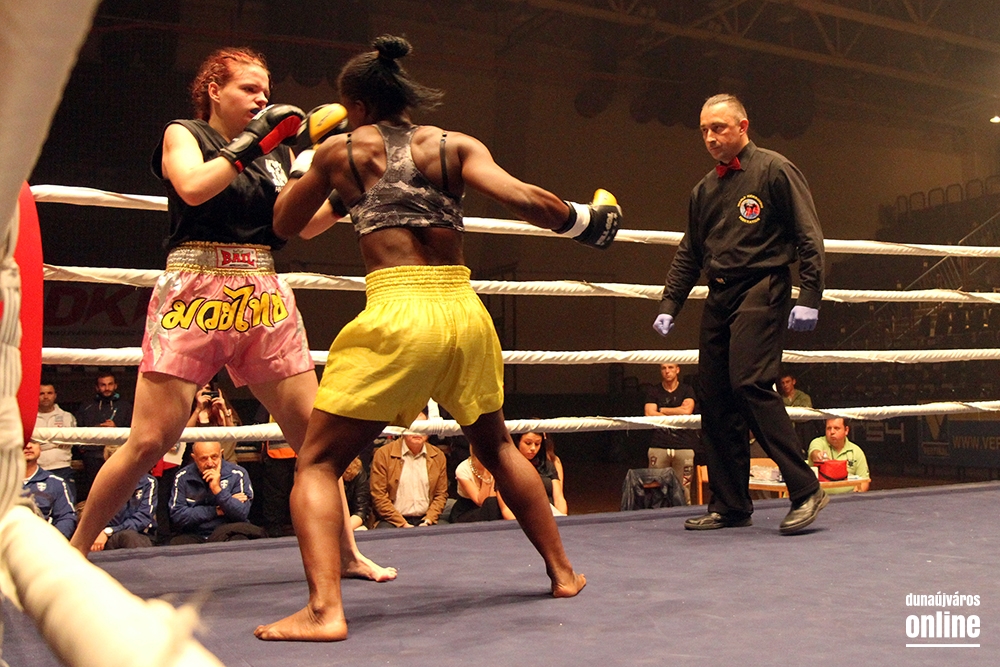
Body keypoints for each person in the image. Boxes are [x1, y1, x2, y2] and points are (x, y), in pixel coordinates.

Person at [255, 35, 600, 641]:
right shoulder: (453, 144)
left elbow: (281, 223)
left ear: (356, 105)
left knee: (318, 461)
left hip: (398, 313)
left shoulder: (339, 151)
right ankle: (564, 573)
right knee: (497, 445)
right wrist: (586, 221)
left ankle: (324, 612)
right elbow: (527, 200)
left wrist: (313, 160)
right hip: (465, 311)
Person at [69, 47, 395, 584]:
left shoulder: (275, 155)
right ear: (214, 90)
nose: (262, 98)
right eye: (250, 88)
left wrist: (345, 192)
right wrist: (254, 142)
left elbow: (300, 226)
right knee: (149, 440)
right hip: (194, 293)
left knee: (315, 440)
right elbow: (193, 188)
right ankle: (76, 549)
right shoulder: (185, 134)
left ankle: (348, 554)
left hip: (262, 293)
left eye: (267, 91)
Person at [653, 93, 827, 535]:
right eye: (704, 131)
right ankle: (730, 504)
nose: (710, 138)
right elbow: (690, 252)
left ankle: (806, 488)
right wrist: (670, 302)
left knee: (750, 382)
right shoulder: (703, 190)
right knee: (713, 396)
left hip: (762, 286)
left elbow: (808, 234)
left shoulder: (774, 169)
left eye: (719, 128)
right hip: (719, 294)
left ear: (743, 126)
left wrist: (810, 293)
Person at [168, 440, 263, 543]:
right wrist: (217, 510)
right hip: (194, 533)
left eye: (214, 457)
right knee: (177, 543)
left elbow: (241, 513)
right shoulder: (182, 477)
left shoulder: (237, 474)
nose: (210, 463)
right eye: (204, 458)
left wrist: (218, 490)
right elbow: (178, 517)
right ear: (194, 458)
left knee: (239, 539)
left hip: (228, 531)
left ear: (221, 454)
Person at [369, 414, 449, 528]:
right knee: (383, 531)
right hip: (393, 520)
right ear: (403, 428)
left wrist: (429, 519)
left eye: (422, 427)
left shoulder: (438, 455)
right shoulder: (383, 454)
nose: (418, 431)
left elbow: (441, 494)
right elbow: (379, 495)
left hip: (426, 518)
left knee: (446, 531)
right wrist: (402, 523)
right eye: (413, 426)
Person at [643, 363, 698, 502]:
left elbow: (686, 411)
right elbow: (649, 413)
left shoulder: (687, 389)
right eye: (664, 368)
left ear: (678, 370)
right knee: (655, 490)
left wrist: (663, 410)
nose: (667, 371)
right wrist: (676, 412)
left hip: (684, 445)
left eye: (671, 367)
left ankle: (684, 514)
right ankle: (657, 515)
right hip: (659, 445)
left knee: (684, 489)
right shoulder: (654, 390)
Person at [75, 371, 132, 501]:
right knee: (95, 493)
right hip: (93, 457)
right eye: (103, 385)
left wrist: (116, 429)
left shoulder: (126, 407)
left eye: (110, 384)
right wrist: (95, 431)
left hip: (118, 455)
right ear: (97, 387)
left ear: (115, 385)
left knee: (119, 492)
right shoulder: (86, 406)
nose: (107, 388)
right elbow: (78, 431)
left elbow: (134, 431)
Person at [89, 445, 157, 551]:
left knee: (129, 536)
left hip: (139, 534)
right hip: (108, 537)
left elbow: (143, 518)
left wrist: (109, 531)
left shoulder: (148, 482)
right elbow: (98, 517)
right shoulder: (102, 483)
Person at [499, 431, 567, 518]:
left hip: (550, 516)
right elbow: (505, 508)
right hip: (521, 518)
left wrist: (561, 519)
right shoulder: (505, 468)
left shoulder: (547, 465)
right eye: (528, 443)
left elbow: (559, 498)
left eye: (537, 444)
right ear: (517, 442)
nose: (533, 448)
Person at [32, 381, 78, 502]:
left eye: (49, 393)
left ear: (55, 395)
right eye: (42, 393)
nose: (46, 396)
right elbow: (28, 444)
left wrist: (41, 443)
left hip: (62, 468)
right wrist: (55, 442)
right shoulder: (29, 418)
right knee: (39, 506)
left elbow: (68, 443)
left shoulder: (67, 417)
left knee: (67, 504)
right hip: (37, 469)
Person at [22, 440, 76, 539]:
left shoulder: (56, 483)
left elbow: (66, 517)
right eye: (24, 441)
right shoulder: (4, 482)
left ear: (40, 447)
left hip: (43, 541)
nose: (28, 446)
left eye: (33, 442)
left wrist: (52, 541)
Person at [808, 418, 870, 493]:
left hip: (849, 496)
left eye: (836, 428)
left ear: (846, 430)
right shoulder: (818, 442)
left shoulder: (856, 451)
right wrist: (818, 455)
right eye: (829, 428)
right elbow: (814, 453)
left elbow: (864, 481)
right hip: (821, 497)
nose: (832, 432)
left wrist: (855, 495)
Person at [449, 445, 502, 523]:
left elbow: (492, 499)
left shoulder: (498, 465)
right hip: (466, 511)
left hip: (492, 508)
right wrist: (487, 474)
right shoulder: (463, 469)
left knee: (493, 505)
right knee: (492, 505)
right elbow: (481, 502)